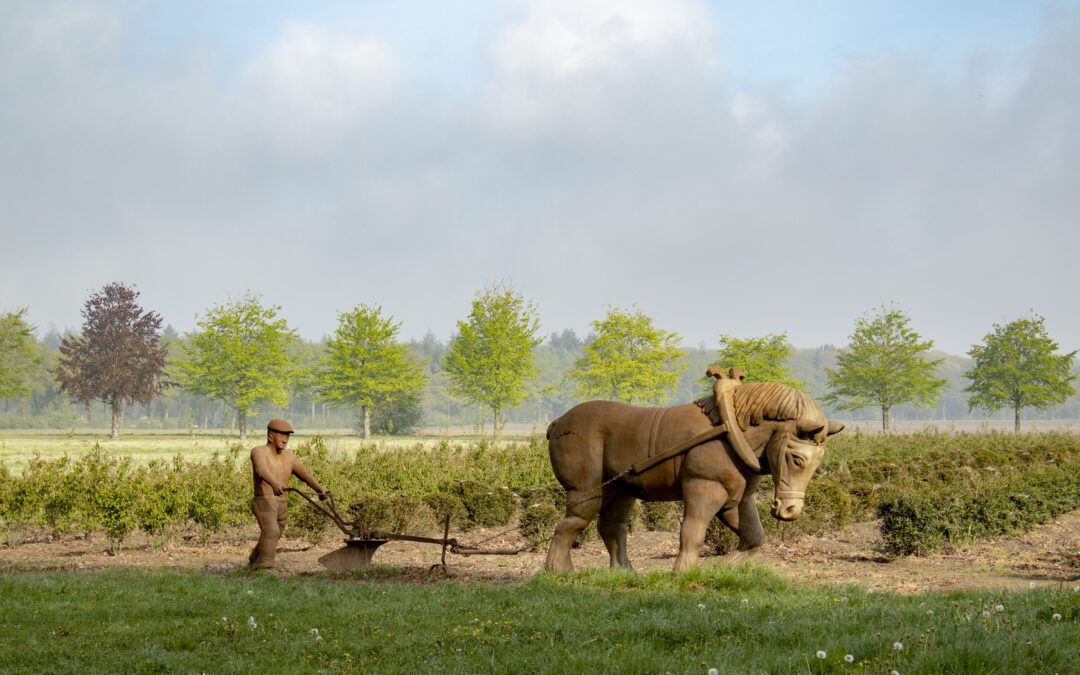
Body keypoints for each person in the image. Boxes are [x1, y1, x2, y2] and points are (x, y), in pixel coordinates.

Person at [248, 418, 328, 570]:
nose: (285, 439)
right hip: (265, 501)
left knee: (273, 534)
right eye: (282, 435)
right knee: (271, 531)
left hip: (282, 504)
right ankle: (265, 568)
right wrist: (274, 483)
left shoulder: (289, 456)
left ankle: (255, 558)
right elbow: (261, 470)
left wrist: (319, 488)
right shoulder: (259, 451)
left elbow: (304, 474)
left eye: (287, 436)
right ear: (271, 436)